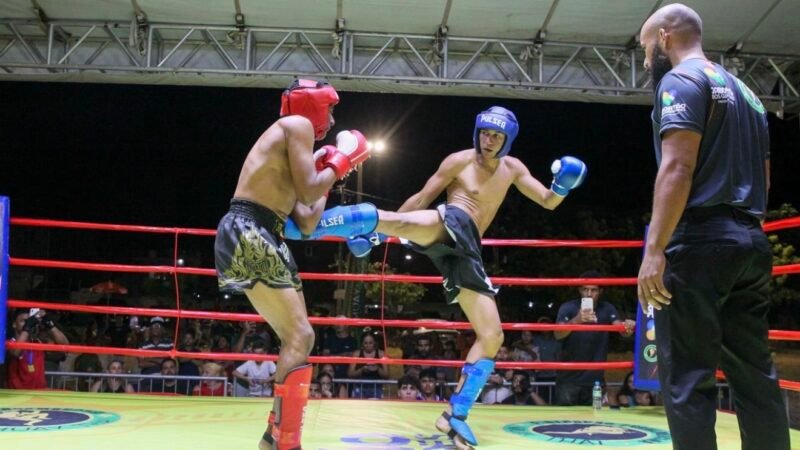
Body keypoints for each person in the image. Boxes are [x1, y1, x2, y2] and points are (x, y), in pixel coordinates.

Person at [285, 106, 587, 448]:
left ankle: (455, 415)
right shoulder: (458, 160)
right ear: (478, 132)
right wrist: (390, 227)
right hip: (452, 221)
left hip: (467, 250)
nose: (488, 141)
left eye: (496, 136)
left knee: (492, 336)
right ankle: (317, 224)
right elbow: (424, 197)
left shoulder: (514, 169)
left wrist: (563, 185)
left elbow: (547, 201)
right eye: (485, 133)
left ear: (507, 140)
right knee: (412, 222)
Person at [637, 4, 790, 450]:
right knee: (754, 372)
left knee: (687, 376)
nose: (647, 61)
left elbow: (677, 167)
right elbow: (763, 179)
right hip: (750, 239)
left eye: (648, 49)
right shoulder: (749, 94)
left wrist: (655, 247)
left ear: (665, 37)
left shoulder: (681, 80)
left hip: (700, 240)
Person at [214, 78, 369, 449]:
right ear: (313, 106)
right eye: (330, 109)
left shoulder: (295, 145)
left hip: (264, 231)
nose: (332, 120)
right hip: (250, 227)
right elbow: (310, 189)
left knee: (300, 337)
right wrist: (342, 158)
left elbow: (307, 218)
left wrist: (331, 168)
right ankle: (281, 440)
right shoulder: (295, 125)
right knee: (300, 336)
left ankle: (276, 437)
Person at [554, 271, 635, 406]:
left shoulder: (607, 309)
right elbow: (557, 334)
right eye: (585, 289)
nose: (589, 294)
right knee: (564, 421)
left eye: (594, 290)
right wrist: (576, 321)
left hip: (595, 380)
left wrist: (628, 326)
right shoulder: (568, 308)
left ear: (600, 291)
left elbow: (621, 330)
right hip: (568, 379)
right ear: (580, 290)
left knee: (594, 422)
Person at [6, 308, 69, 389]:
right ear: (14, 324)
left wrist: (50, 324)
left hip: (39, 393)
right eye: (24, 321)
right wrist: (27, 327)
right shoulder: (9, 343)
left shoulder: (37, 342)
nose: (28, 323)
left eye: (30, 321)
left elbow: (65, 345)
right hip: (18, 394)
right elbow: (16, 352)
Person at [346, 333, 388, 399]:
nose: (368, 345)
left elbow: (387, 375)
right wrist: (362, 370)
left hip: (376, 389)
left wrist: (377, 368)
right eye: (366, 343)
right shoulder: (357, 354)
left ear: (374, 343)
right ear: (362, 344)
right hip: (359, 388)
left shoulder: (381, 354)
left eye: (370, 343)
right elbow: (350, 374)